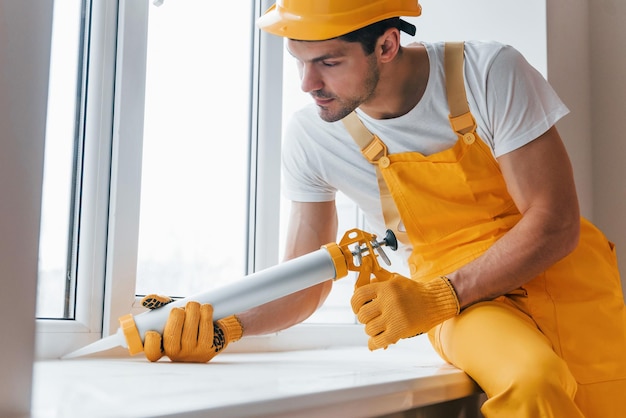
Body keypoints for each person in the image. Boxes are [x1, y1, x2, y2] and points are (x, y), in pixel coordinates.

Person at [142, 1, 626, 417]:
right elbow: (303, 280)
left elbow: (554, 222)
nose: (308, 83)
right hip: (470, 304)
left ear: (387, 45)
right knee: (532, 379)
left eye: (328, 62)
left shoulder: (487, 72)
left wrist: (436, 297)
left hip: (564, 277)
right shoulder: (313, 137)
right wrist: (227, 326)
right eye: (299, 61)